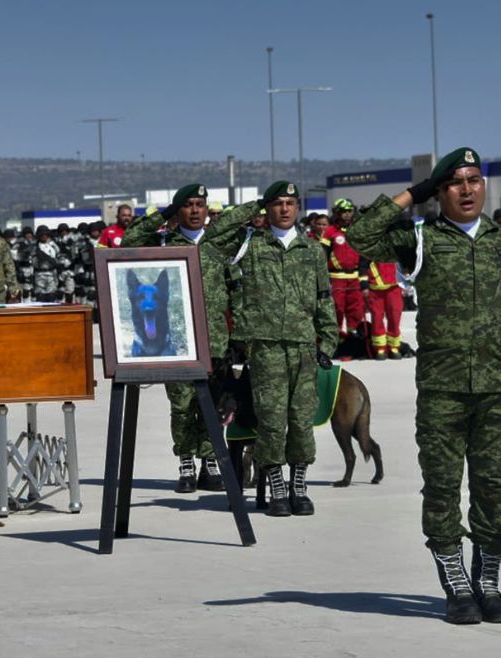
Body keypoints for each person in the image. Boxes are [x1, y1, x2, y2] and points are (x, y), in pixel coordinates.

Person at [347, 147, 501, 624]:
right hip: (441, 392)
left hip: (498, 390)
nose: (467, 190)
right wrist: (411, 194)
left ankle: (488, 582)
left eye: (475, 180)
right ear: (439, 192)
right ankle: (456, 584)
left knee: (494, 490)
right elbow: (360, 235)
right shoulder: (419, 241)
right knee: (441, 489)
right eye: (456, 182)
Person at [201, 181, 340, 516]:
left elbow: (324, 298)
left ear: (298, 207)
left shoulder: (312, 251)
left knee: (301, 420)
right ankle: (276, 485)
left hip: (304, 347)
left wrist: (329, 339)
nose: (284, 209)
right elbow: (213, 236)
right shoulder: (250, 245)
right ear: (268, 208)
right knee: (272, 421)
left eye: (290, 203)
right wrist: (254, 205)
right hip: (265, 349)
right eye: (276, 203)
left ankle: (299, 485)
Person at [122, 184, 225, 493]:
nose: (195, 211)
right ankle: (185, 463)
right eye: (187, 205)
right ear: (177, 210)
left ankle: (209, 462)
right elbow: (130, 240)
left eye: (200, 205)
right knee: (181, 407)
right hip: (178, 340)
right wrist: (163, 215)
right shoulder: (165, 243)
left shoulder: (220, 244)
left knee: (212, 404)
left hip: (214, 340)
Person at [323, 199, 367, 351]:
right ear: (337, 213)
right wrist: (324, 279)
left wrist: (363, 278)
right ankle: (336, 343)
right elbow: (323, 256)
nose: (347, 215)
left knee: (356, 310)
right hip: (337, 279)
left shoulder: (357, 231)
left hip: (354, 278)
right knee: (337, 310)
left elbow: (363, 257)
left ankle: (352, 340)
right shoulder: (330, 232)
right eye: (344, 212)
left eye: (349, 211)